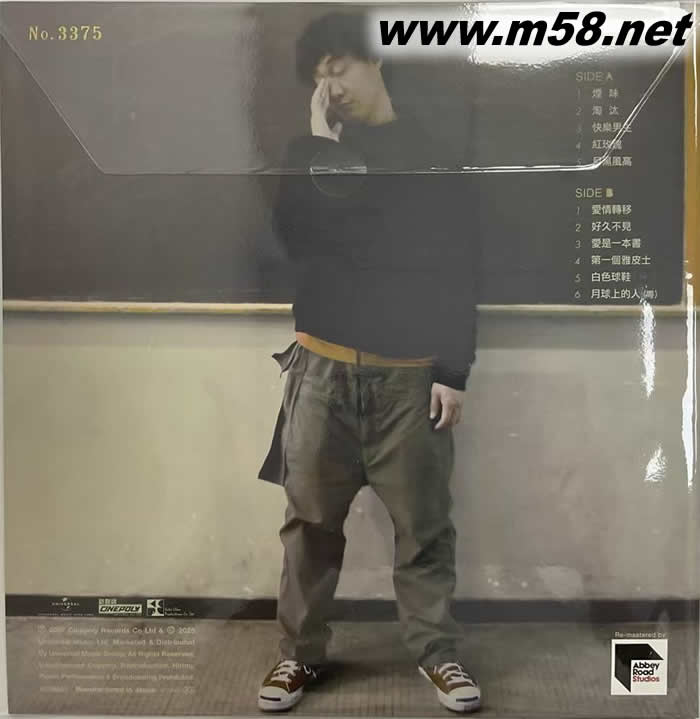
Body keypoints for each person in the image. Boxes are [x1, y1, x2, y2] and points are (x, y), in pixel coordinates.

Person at [257, 10, 481, 714]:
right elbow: (297, 239)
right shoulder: (311, 152)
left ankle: (437, 654)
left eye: (340, 68)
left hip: (410, 375)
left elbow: (458, 269)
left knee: (424, 527)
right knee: (309, 525)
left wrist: (453, 370)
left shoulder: (432, 154)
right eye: (318, 77)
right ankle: (298, 654)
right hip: (320, 369)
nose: (332, 87)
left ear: (376, 61)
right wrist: (318, 145)